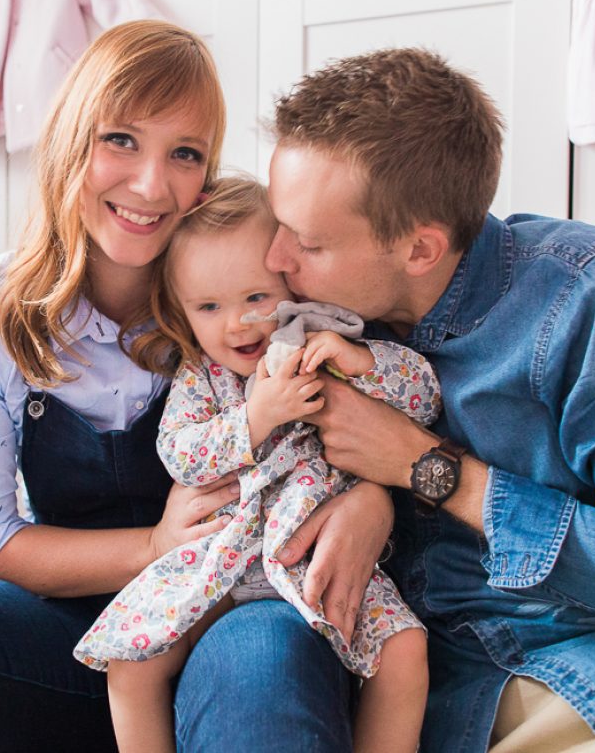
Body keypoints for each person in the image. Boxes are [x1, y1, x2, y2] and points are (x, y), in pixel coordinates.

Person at [0, 21, 381, 753]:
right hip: (61, 640)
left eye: (184, 154)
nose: (151, 184)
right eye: (120, 139)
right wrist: (154, 544)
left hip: (234, 614)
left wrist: (371, 502)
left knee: (266, 663)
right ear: (69, 139)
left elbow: (365, 408)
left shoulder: (244, 289)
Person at [263, 47, 595, 753]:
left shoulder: (590, 298)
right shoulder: (308, 314)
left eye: (307, 242)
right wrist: (368, 498)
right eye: (275, 222)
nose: (276, 259)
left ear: (420, 249)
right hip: (392, 685)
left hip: (586, 671)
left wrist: (428, 470)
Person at [74, 177, 439, 753]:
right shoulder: (203, 377)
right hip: (220, 560)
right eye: (209, 307)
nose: (237, 324)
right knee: (131, 663)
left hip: (318, 564)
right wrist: (255, 418)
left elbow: (423, 396)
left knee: (404, 651)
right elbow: (182, 456)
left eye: (256, 299)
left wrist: (362, 361)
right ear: (183, 313)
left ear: (293, 288)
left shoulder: (325, 352)